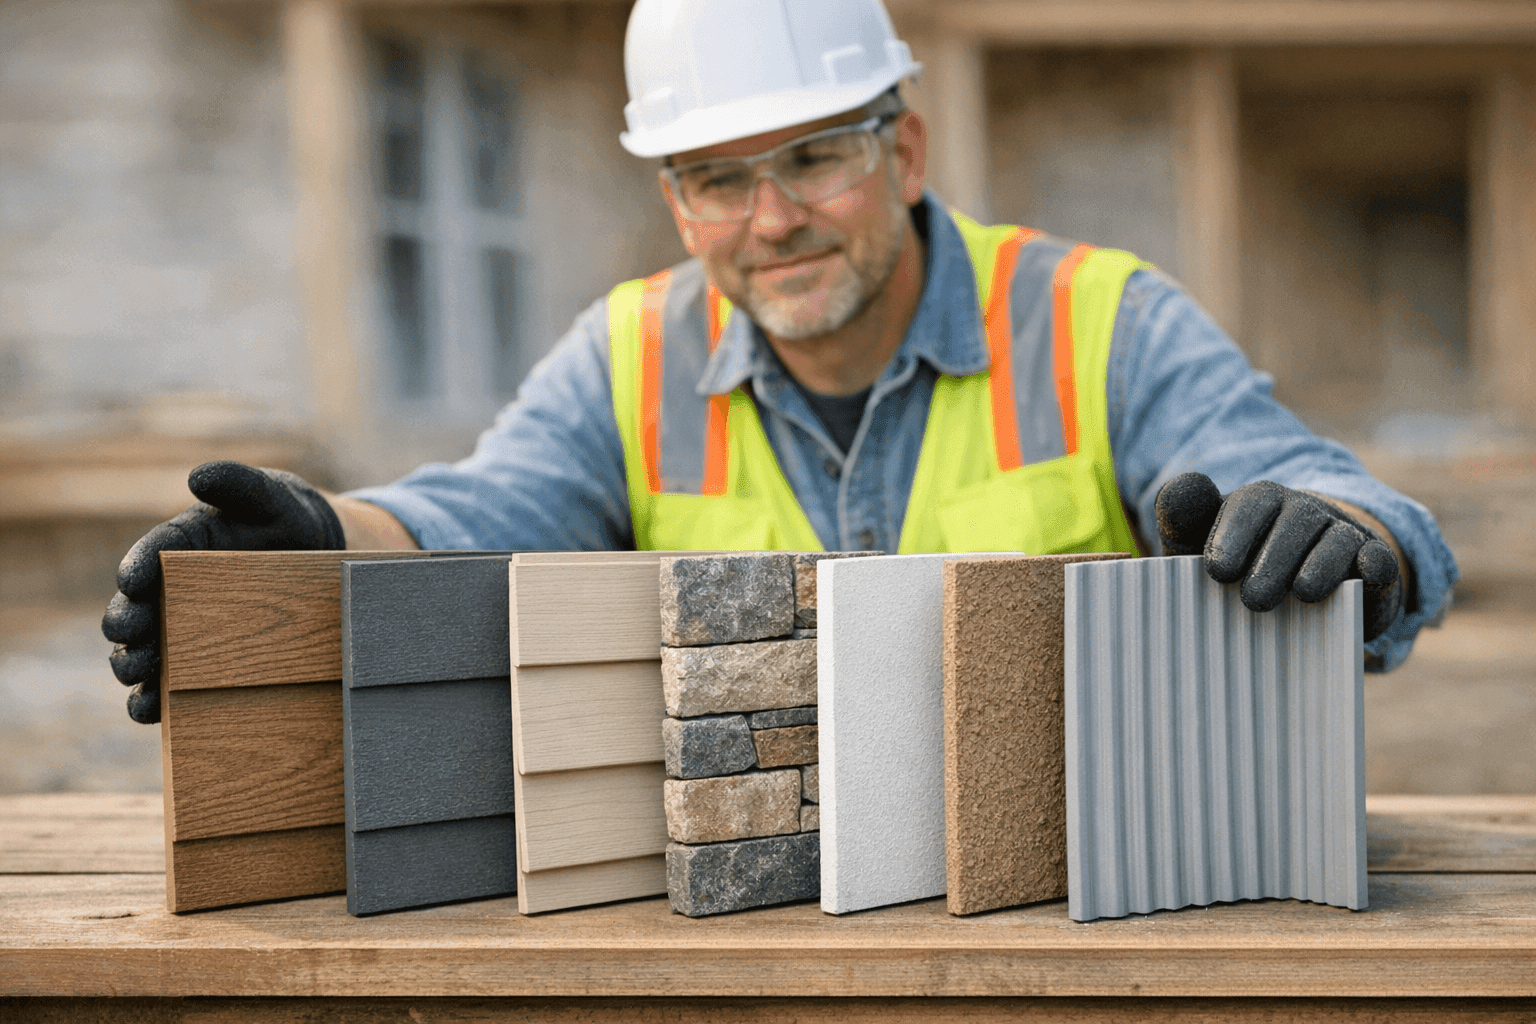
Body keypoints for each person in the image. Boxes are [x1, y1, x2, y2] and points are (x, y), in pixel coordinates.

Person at [101, 0, 1457, 724]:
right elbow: (485, 513)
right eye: (717, 179)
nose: (773, 219)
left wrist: (1341, 533)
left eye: (816, 156)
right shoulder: (628, 354)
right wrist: (319, 541)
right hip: (748, 910)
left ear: (903, 151)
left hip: (1076, 902)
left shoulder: (1099, 317)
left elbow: (1346, 506)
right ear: (676, 202)